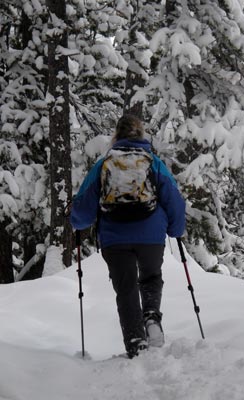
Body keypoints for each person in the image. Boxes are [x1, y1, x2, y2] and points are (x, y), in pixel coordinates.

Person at [70, 115, 186, 358]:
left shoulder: (104, 164)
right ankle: (152, 317)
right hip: (151, 234)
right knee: (151, 276)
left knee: (126, 288)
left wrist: (76, 221)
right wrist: (175, 230)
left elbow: (82, 212)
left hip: (115, 237)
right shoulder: (153, 163)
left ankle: (135, 340)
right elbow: (173, 199)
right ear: (141, 135)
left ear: (116, 136)